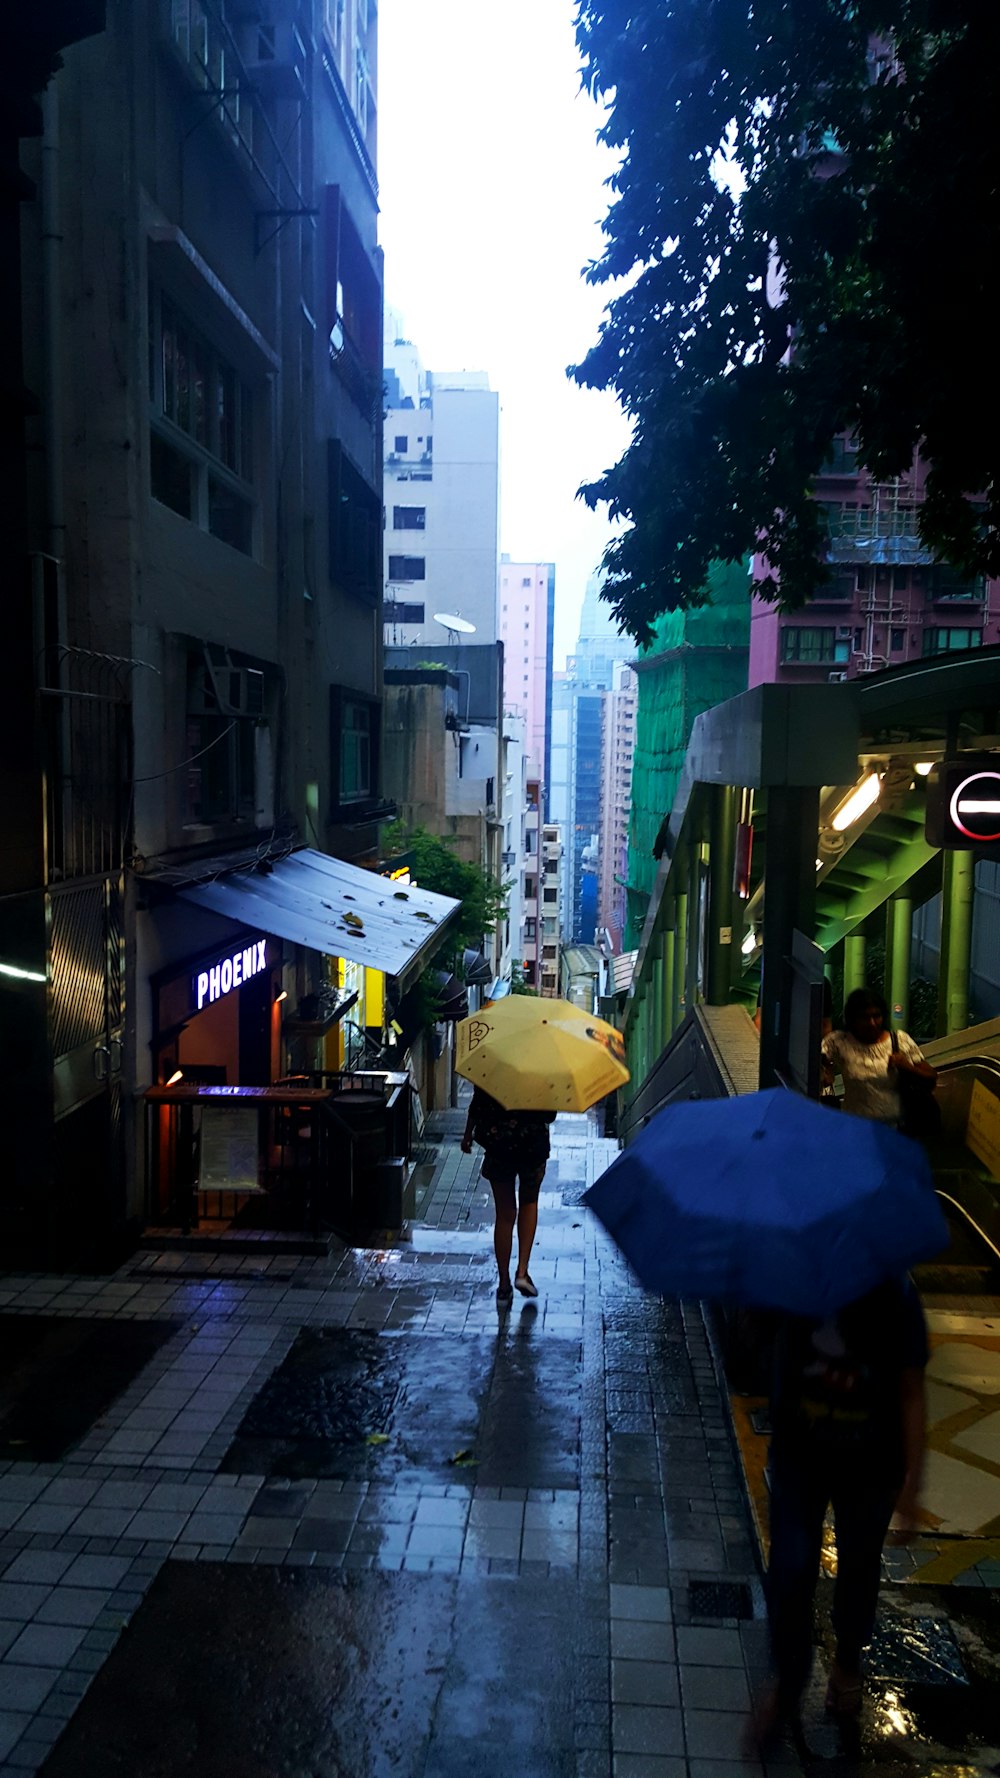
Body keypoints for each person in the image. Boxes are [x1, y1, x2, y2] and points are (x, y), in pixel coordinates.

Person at [751, 1274, 928, 1744]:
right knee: (789, 1567)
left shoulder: (896, 1295)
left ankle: (848, 1656)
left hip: (870, 1462)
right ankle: (789, 1681)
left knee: (859, 1563)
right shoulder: (796, 1279)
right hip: (800, 1457)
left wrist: (912, 1483)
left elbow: (911, 1389)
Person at [460, 1086, 555, 1303]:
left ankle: (503, 1283)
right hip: (533, 1146)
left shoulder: (492, 1062)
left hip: (499, 1146)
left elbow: (478, 1104)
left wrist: (467, 1135)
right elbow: (550, 1116)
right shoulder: (544, 1068)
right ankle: (522, 1272)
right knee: (529, 1203)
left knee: (504, 1214)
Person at [821, 987, 936, 1127]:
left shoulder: (899, 1040)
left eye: (876, 1016)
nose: (872, 1023)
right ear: (853, 1018)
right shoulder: (839, 1042)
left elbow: (931, 1078)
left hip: (894, 1128)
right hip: (855, 1127)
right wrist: (826, 1072)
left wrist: (908, 1067)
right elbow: (819, 1061)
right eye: (865, 1017)